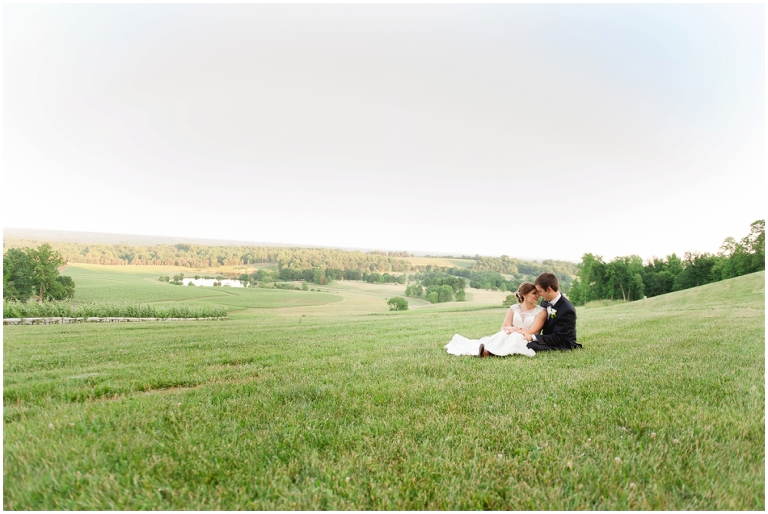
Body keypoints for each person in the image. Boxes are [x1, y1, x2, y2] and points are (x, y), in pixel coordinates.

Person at [444, 282, 546, 358]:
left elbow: (533, 330)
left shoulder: (541, 311)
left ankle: (488, 352)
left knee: (514, 336)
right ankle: (486, 348)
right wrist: (509, 329)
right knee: (504, 334)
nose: (537, 296)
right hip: (511, 333)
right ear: (525, 295)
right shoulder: (513, 308)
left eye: (538, 293)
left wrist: (516, 331)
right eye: (534, 293)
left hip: (526, 337)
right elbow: (504, 326)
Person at [522, 272, 581, 352]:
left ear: (549, 289)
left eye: (540, 291)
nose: (538, 295)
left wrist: (532, 337)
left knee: (530, 346)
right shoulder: (544, 302)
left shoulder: (567, 310)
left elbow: (557, 337)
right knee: (524, 342)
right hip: (548, 340)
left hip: (562, 343)